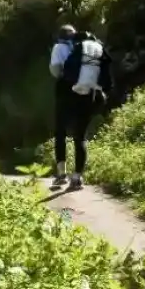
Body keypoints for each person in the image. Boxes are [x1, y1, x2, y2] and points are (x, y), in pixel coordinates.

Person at [49, 24, 113, 190]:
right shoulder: (90, 49)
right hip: (89, 94)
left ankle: (61, 174)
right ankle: (77, 177)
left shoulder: (59, 48)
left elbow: (56, 70)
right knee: (80, 137)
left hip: (66, 93)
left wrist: (64, 77)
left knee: (60, 133)